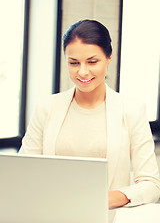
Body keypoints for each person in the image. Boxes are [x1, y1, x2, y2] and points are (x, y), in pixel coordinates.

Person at [19, 19, 160, 208]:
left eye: (92, 62)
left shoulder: (132, 110)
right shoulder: (47, 107)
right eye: (74, 63)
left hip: (105, 215)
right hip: (50, 213)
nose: (83, 72)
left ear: (109, 57)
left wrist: (99, 200)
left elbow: (151, 185)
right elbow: (22, 170)